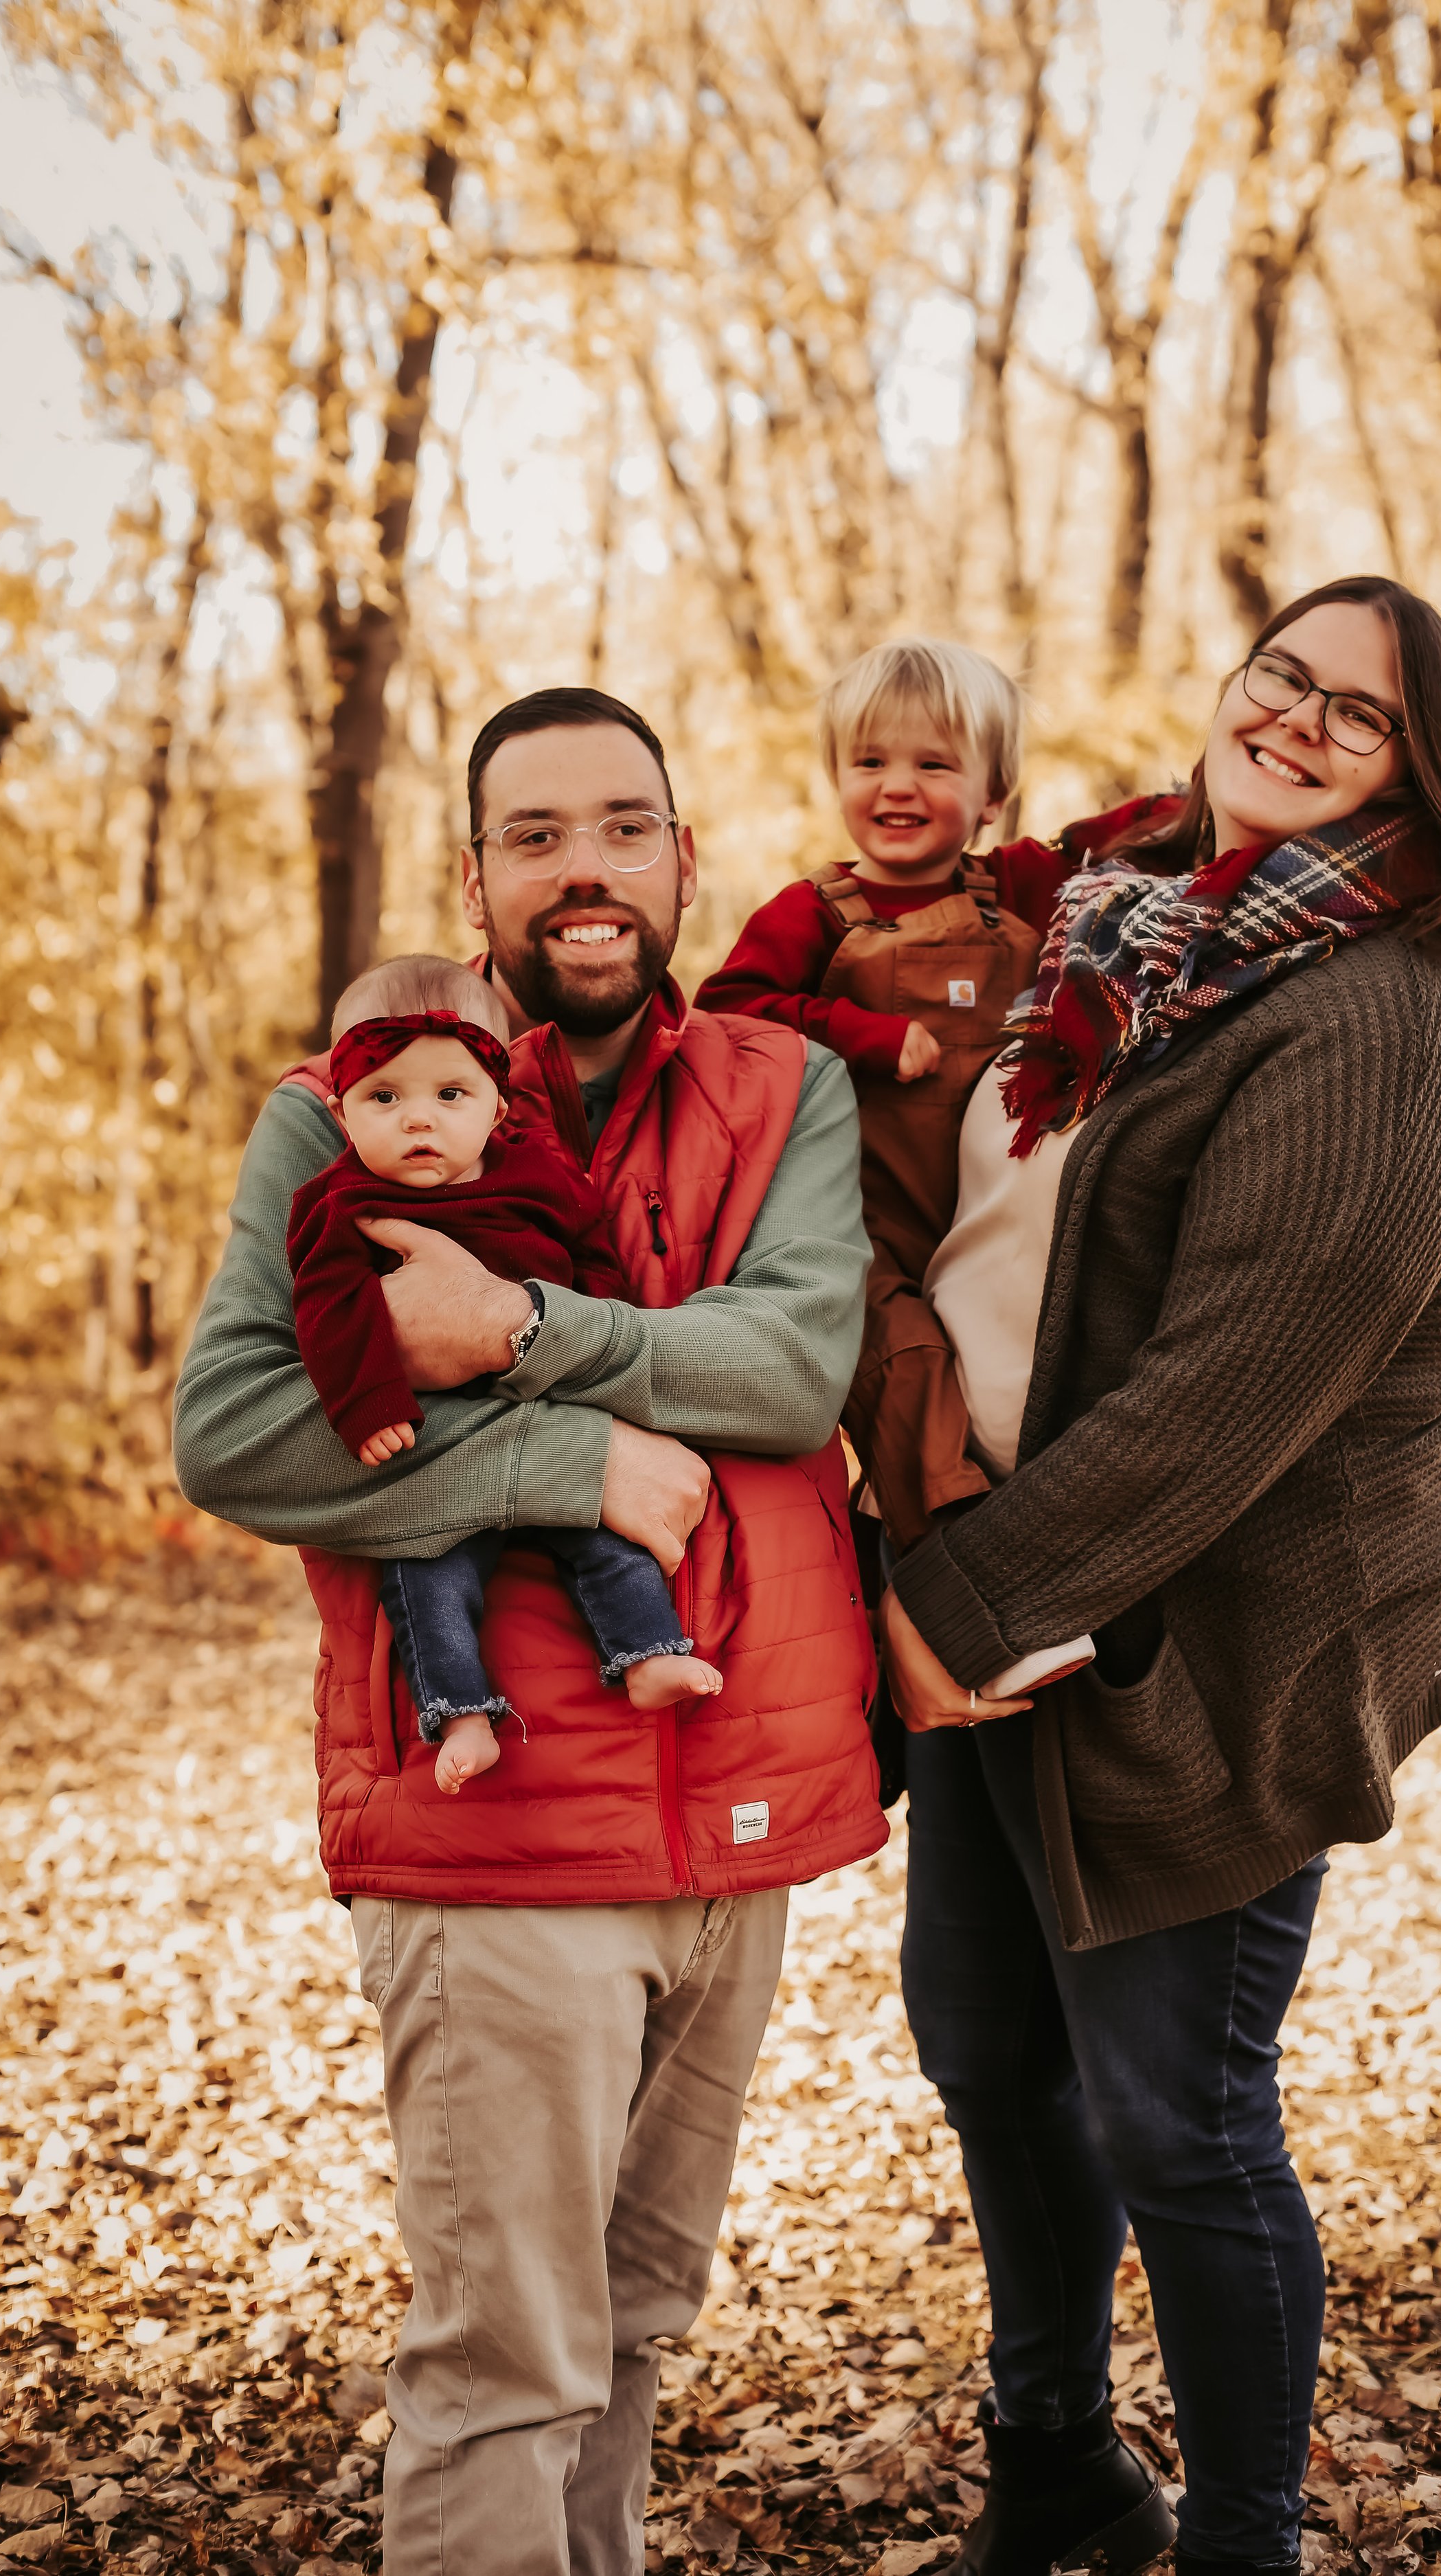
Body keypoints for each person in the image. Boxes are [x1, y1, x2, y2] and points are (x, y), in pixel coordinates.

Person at [174, 685, 887, 2576]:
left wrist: (520, 1333)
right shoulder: (337, 1116)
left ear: (682, 858)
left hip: (736, 1808)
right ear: (474, 873)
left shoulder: (780, 1089)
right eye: (538, 834)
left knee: (633, 2327)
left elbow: (791, 1365)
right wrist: (569, 1459)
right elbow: (237, 1431)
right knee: (505, 2363)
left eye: (624, 827)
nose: (587, 869)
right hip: (491, 1821)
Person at [878, 577, 1441, 2576]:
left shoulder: (1390, 1021)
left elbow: (1220, 1396)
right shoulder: (1133, 927)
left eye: (1359, 711)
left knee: (1176, 2112)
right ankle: (1059, 2463)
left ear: (1422, 770)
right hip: (1018, 1584)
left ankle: (1246, 2539)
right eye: (1281, 674)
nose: (1297, 719)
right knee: (992, 2052)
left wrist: (943, 1611)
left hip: (1212, 1646)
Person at [288, 954, 722, 1799]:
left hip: (555, 1412)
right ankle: (462, 1715)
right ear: (341, 1113)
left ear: (496, 1105)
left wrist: (600, 1355)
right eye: (385, 1098)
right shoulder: (340, 1203)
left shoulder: (539, 1177)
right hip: (438, 1444)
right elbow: (326, 1307)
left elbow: (593, 1260)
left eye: (449, 1095)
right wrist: (367, 1401)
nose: (419, 1120)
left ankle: (648, 1656)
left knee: (612, 1538)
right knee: (425, 1575)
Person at [696, 638, 1079, 1557]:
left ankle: (1050, 1538)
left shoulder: (1018, 887)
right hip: (868, 1219)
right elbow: (726, 1013)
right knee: (902, 1363)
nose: (897, 786)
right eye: (869, 761)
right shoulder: (813, 912)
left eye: (934, 765)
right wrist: (858, 1032)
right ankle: (949, 1552)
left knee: (1031, 1382)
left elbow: (1129, 839)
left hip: (995, 1219)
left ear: (992, 795)